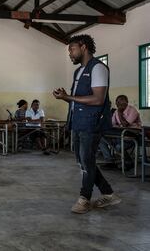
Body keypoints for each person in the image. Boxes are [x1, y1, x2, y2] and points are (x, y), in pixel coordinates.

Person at [53, 34, 121, 214]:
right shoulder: (78, 71)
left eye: (72, 49)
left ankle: (84, 199)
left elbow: (98, 99)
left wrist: (68, 96)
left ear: (83, 47)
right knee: (84, 161)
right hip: (78, 122)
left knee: (87, 160)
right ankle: (108, 194)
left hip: (91, 124)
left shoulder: (98, 68)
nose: (70, 54)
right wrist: (65, 97)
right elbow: (79, 101)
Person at [99, 95, 141, 170]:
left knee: (118, 146)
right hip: (120, 134)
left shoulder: (132, 110)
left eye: (121, 101)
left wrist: (120, 112)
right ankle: (110, 161)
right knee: (100, 138)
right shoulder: (116, 111)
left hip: (132, 135)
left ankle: (128, 162)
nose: (118, 103)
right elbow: (112, 124)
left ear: (126, 102)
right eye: (117, 101)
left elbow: (125, 124)